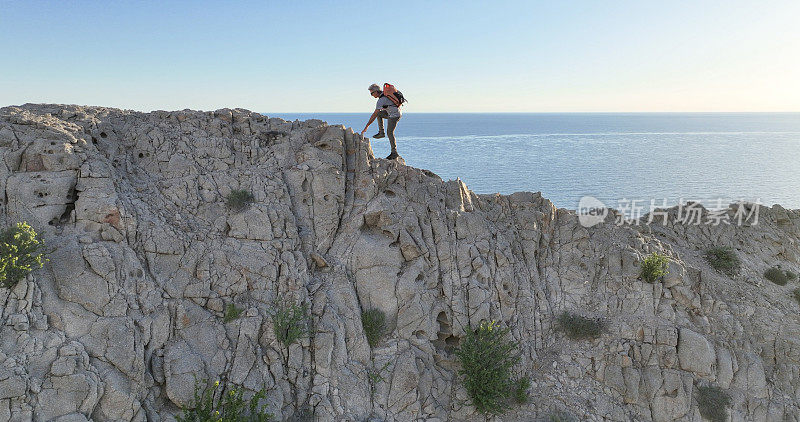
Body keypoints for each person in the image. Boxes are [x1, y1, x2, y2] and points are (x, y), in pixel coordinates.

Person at [360, 83, 402, 159]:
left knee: (390, 133)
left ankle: (394, 152)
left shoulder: (381, 100)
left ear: (376, 92)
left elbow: (374, 115)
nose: (372, 95)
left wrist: (367, 126)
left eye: (372, 93)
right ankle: (381, 132)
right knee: (379, 114)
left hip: (394, 115)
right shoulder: (385, 95)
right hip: (394, 112)